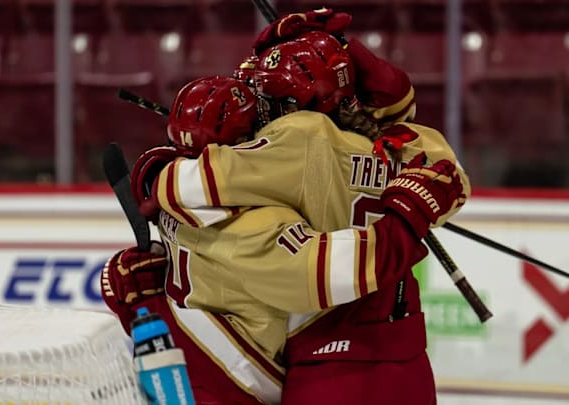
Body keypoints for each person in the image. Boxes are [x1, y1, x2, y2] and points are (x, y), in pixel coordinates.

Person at [127, 22, 470, 405]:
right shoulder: (405, 146)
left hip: (325, 361)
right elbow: (451, 177)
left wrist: (157, 171)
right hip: (404, 351)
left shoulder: (302, 138)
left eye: (273, 99)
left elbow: (201, 181)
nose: (263, 110)